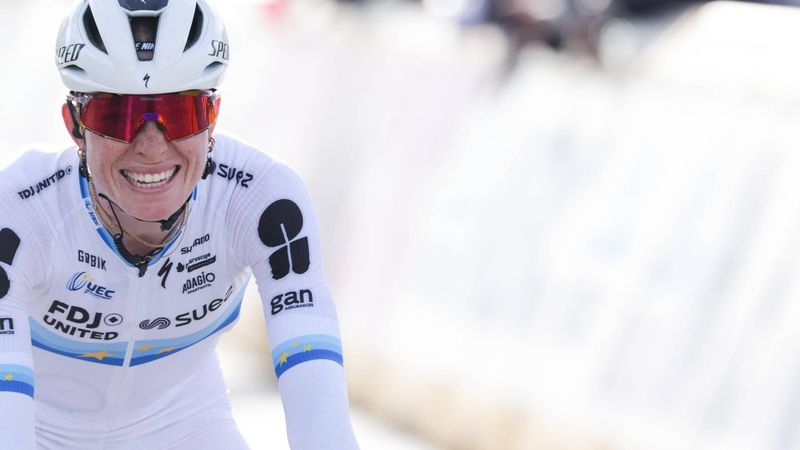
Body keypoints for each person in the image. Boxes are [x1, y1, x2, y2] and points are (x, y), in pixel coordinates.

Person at [0, 0, 360, 448]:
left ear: (213, 120)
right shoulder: (17, 213)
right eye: (118, 118)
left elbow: (321, 420)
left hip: (184, 426)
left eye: (182, 113)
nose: (152, 147)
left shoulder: (259, 198)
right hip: (38, 431)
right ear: (74, 126)